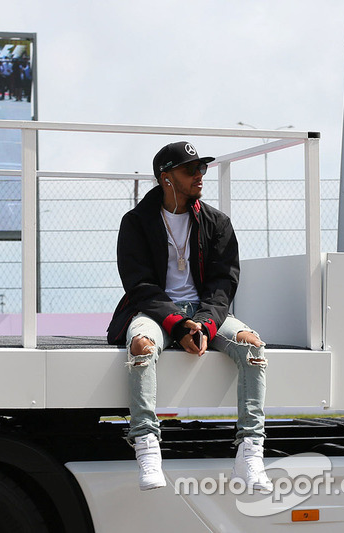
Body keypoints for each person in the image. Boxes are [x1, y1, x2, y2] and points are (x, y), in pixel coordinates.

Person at [107, 141, 271, 492]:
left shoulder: (216, 222)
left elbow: (224, 282)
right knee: (140, 346)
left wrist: (206, 325)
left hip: (207, 311)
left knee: (253, 346)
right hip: (154, 310)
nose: (199, 175)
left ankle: (250, 453)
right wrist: (179, 326)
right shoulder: (136, 222)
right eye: (190, 169)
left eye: (202, 168)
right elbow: (140, 285)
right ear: (166, 178)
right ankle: (148, 448)